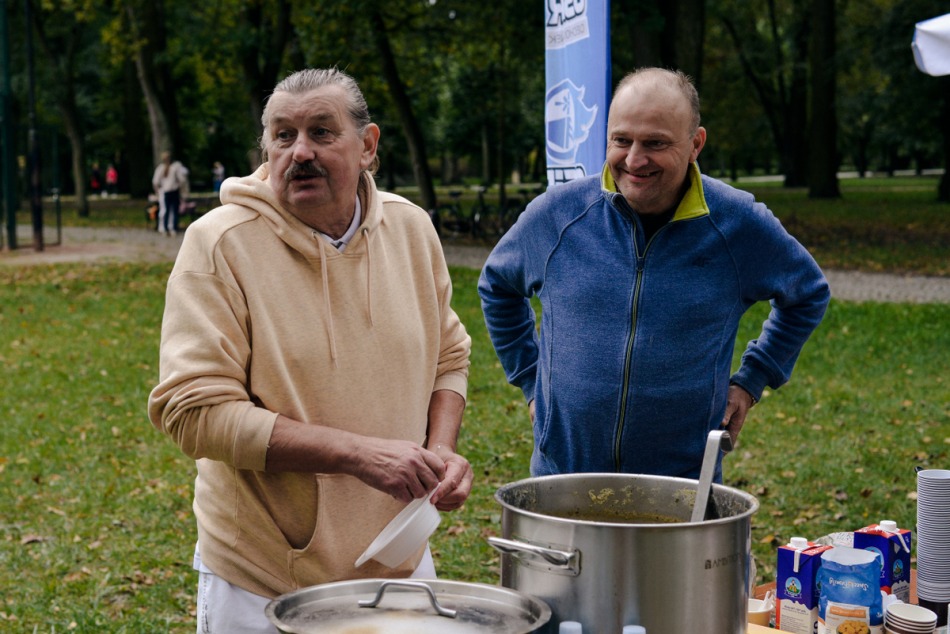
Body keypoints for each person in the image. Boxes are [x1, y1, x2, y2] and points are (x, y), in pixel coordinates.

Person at [147, 67, 473, 633]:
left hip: (399, 558)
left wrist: (441, 450)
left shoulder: (411, 229)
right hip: (264, 576)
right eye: (283, 135)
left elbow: (450, 356)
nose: (300, 152)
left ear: (367, 145)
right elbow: (193, 413)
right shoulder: (219, 244)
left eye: (321, 132)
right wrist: (357, 455)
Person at [478, 67, 830, 480]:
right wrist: (530, 379)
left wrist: (753, 378)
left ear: (695, 144)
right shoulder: (559, 215)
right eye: (621, 140)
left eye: (655, 143)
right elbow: (497, 285)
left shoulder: (737, 223)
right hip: (564, 479)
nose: (634, 160)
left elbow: (807, 293)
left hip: (682, 486)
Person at [151, 151, 189, 235]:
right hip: (173, 191)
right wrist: (179, 186)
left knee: (166, 210)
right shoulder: (174, 168)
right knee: (174, 211)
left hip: (165, 191)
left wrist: (158, 190)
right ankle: (173, 228)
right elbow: (182, 180)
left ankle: (165, 228)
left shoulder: (160, 168)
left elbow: (155, 181)